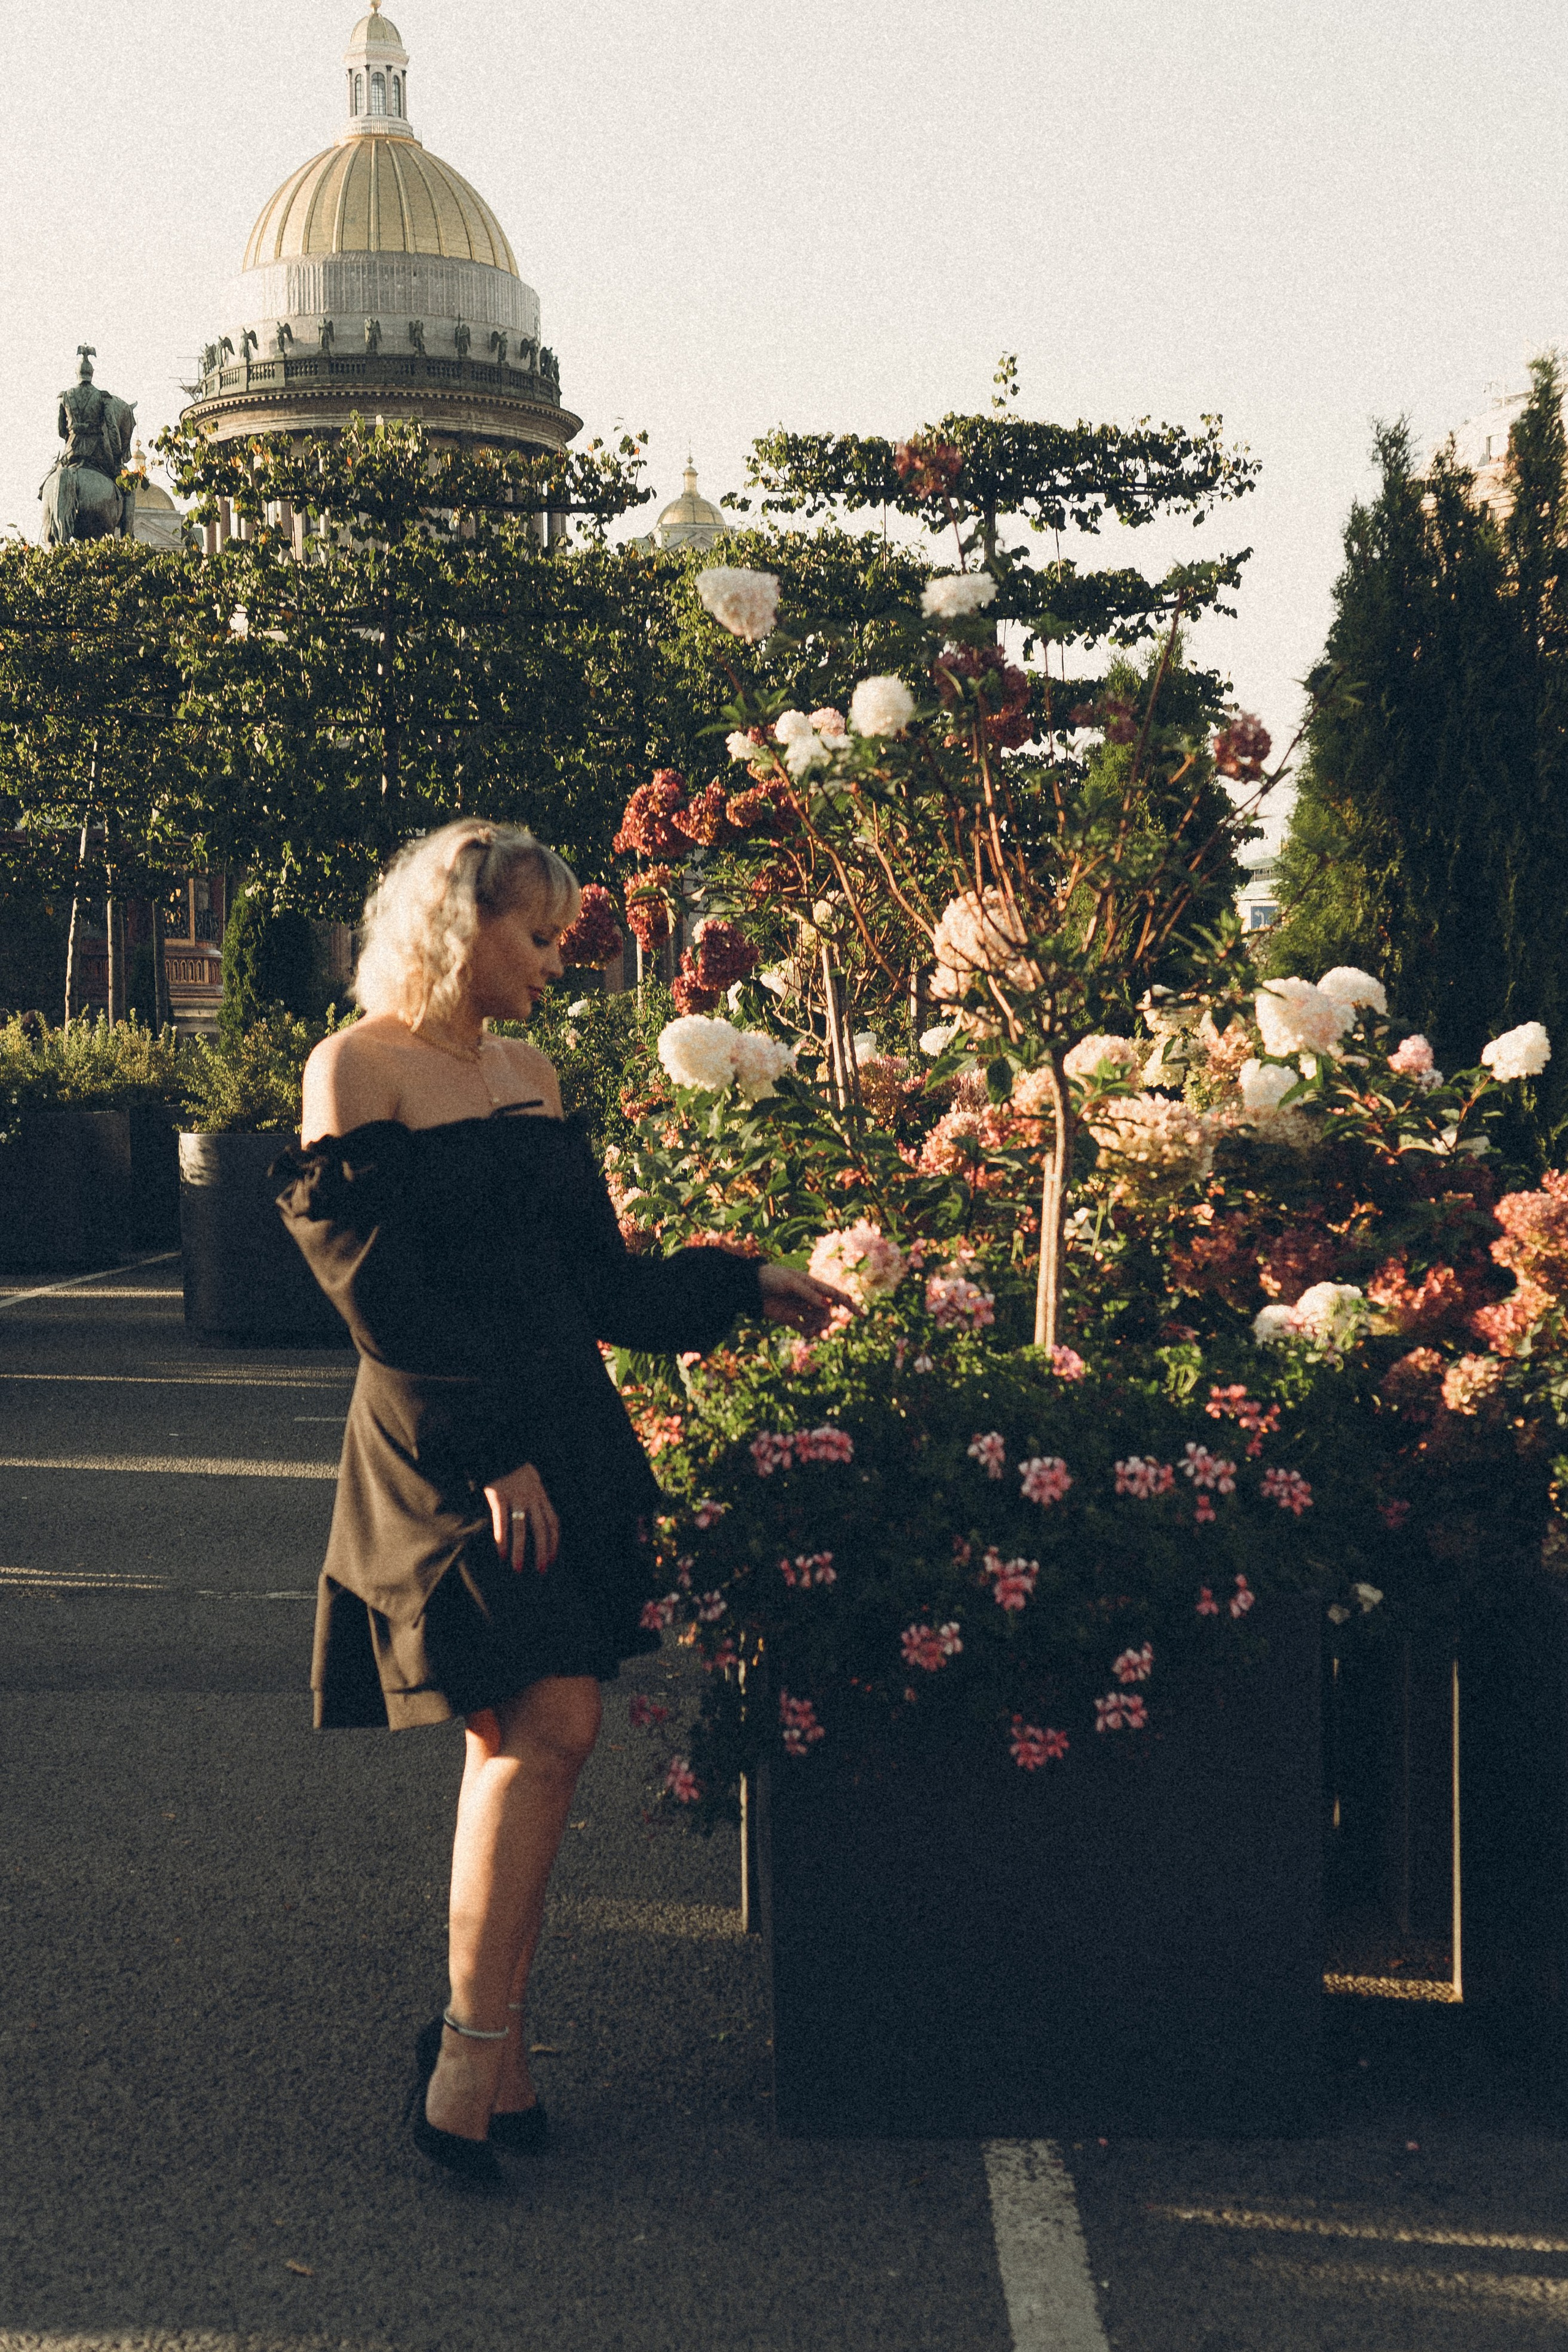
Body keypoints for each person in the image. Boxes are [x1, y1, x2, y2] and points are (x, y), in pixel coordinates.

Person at [276, 821, 847, 2188]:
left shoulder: (527, 1075)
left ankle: (493, 2048)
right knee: (551, 1721)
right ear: (451, 927)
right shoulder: (356, 1066)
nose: (554, 960)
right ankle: (470, 2051)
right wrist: (484, 1453)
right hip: (447, 1444)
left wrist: (735, 1280)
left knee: (520, 1736)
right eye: (533, 935)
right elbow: (374, 1293)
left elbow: (592, 1286)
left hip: (560, 1441)